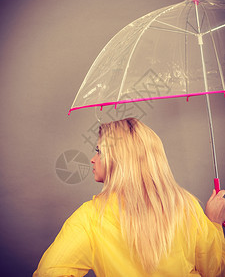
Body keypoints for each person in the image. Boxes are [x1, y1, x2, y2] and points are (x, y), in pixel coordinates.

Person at [33, 118, 225, 277]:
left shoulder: (92, 217)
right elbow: (214, 270)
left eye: (99, 151)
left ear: (119, 158)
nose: (92, 158)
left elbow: (49, 272)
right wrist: (214, 223)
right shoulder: (185, 205)